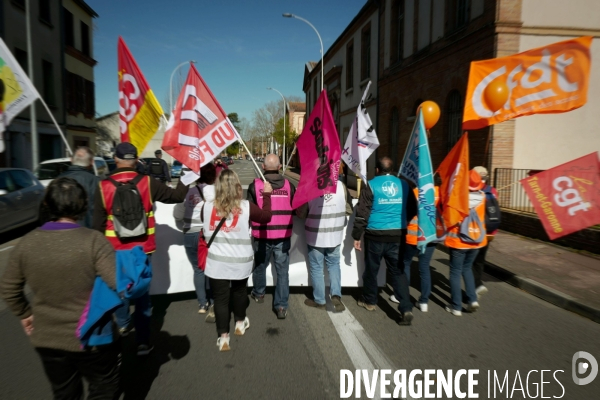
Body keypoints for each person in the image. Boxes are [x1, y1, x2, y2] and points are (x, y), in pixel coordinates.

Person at [1, 177, 120, 399]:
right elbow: (117, 282)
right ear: (83, 206)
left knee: (64, 392)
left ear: (47, 205)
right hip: (91, 336)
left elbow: (8, 288)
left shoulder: (26, 243)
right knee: (104, 387)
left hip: (47, 337)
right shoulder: (93, 240)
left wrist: (25, 314)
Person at [93, 142, 188, 356]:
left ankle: (124, 323)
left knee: (120, 289)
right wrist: (186, 177)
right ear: (136, 160)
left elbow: (97, 226)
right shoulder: (147, 182)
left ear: (115, 159)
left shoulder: (102, 186)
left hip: (113, 250)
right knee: (142, 293)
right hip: (143, 248)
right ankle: (143, 342)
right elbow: (177, 197)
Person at [203, 169, 273, 351]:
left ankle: (223, 337)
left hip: (217, 262)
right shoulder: (246, 206)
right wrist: (266, 195)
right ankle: (240, 323)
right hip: (240, 261)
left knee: (220, 299)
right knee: (240, 292)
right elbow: (266, 217)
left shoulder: (207, 206)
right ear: (237, 186)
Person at [352, 156, 417, 326]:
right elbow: (413, 209)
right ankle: (406, 308)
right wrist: (401, 221)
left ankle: (370, 301)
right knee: (398, 272)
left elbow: (362, 212)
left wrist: (356, 235)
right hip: (398, 235)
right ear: (392, 169)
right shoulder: (404, 185)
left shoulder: (371, 185)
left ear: (377, 170)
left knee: (372, 271)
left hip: (375, 235)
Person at [297, 162, 353, 312]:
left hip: (315, 235)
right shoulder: (341, 186)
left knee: (316, 267)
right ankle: (336, 295)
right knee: (334, 264)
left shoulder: (310, 187)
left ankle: (320, 300)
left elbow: (301, 213)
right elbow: (349, 210)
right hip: (335, 235)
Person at [247, 154, 295, 319]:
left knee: (260, 265)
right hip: (283, 237)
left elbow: (248, 211)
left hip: (262, 236)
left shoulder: (255, 186)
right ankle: (281, 306)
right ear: (280, 167)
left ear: (263, 167)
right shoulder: (289, 186)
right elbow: (297, 209)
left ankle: (259, 293)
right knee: (282, 272)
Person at [174, 162, 217, 321]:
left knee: (198, 269)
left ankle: (202, 304)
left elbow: (178, 215)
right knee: (212, 268)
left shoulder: (188, 192)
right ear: (213, 175)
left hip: (190, 233)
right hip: (210, 234)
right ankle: (213, 301)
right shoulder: (217, 191)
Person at [394, 186, 445, 312]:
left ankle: (401, 295)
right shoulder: (439, 192)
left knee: (405, 263)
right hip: (431, 236)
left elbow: (404, 213)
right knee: (424, 266)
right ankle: (424, 301)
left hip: (413, 236)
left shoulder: (412, 192)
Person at [443, 169, 487, 316]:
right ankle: (472, 299)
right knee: (467, 268)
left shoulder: (457, 198)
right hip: (477, 240)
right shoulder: (483, 196)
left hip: (459, 240)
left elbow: (449, 217)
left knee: (455, 272)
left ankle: (456, 306)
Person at [471, 166, 499, 295]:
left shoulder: (472, 190)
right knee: (480, 260)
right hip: (489, 232)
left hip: (475, 231)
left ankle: (476, 287)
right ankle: (475, 287)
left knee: (469, 262)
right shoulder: (492, 190)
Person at [58, 146, 98, 228]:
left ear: (71, 160)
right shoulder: (95, 181)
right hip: (88, 231)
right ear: (92, 162)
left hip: (62, 231)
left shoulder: (58, 180)